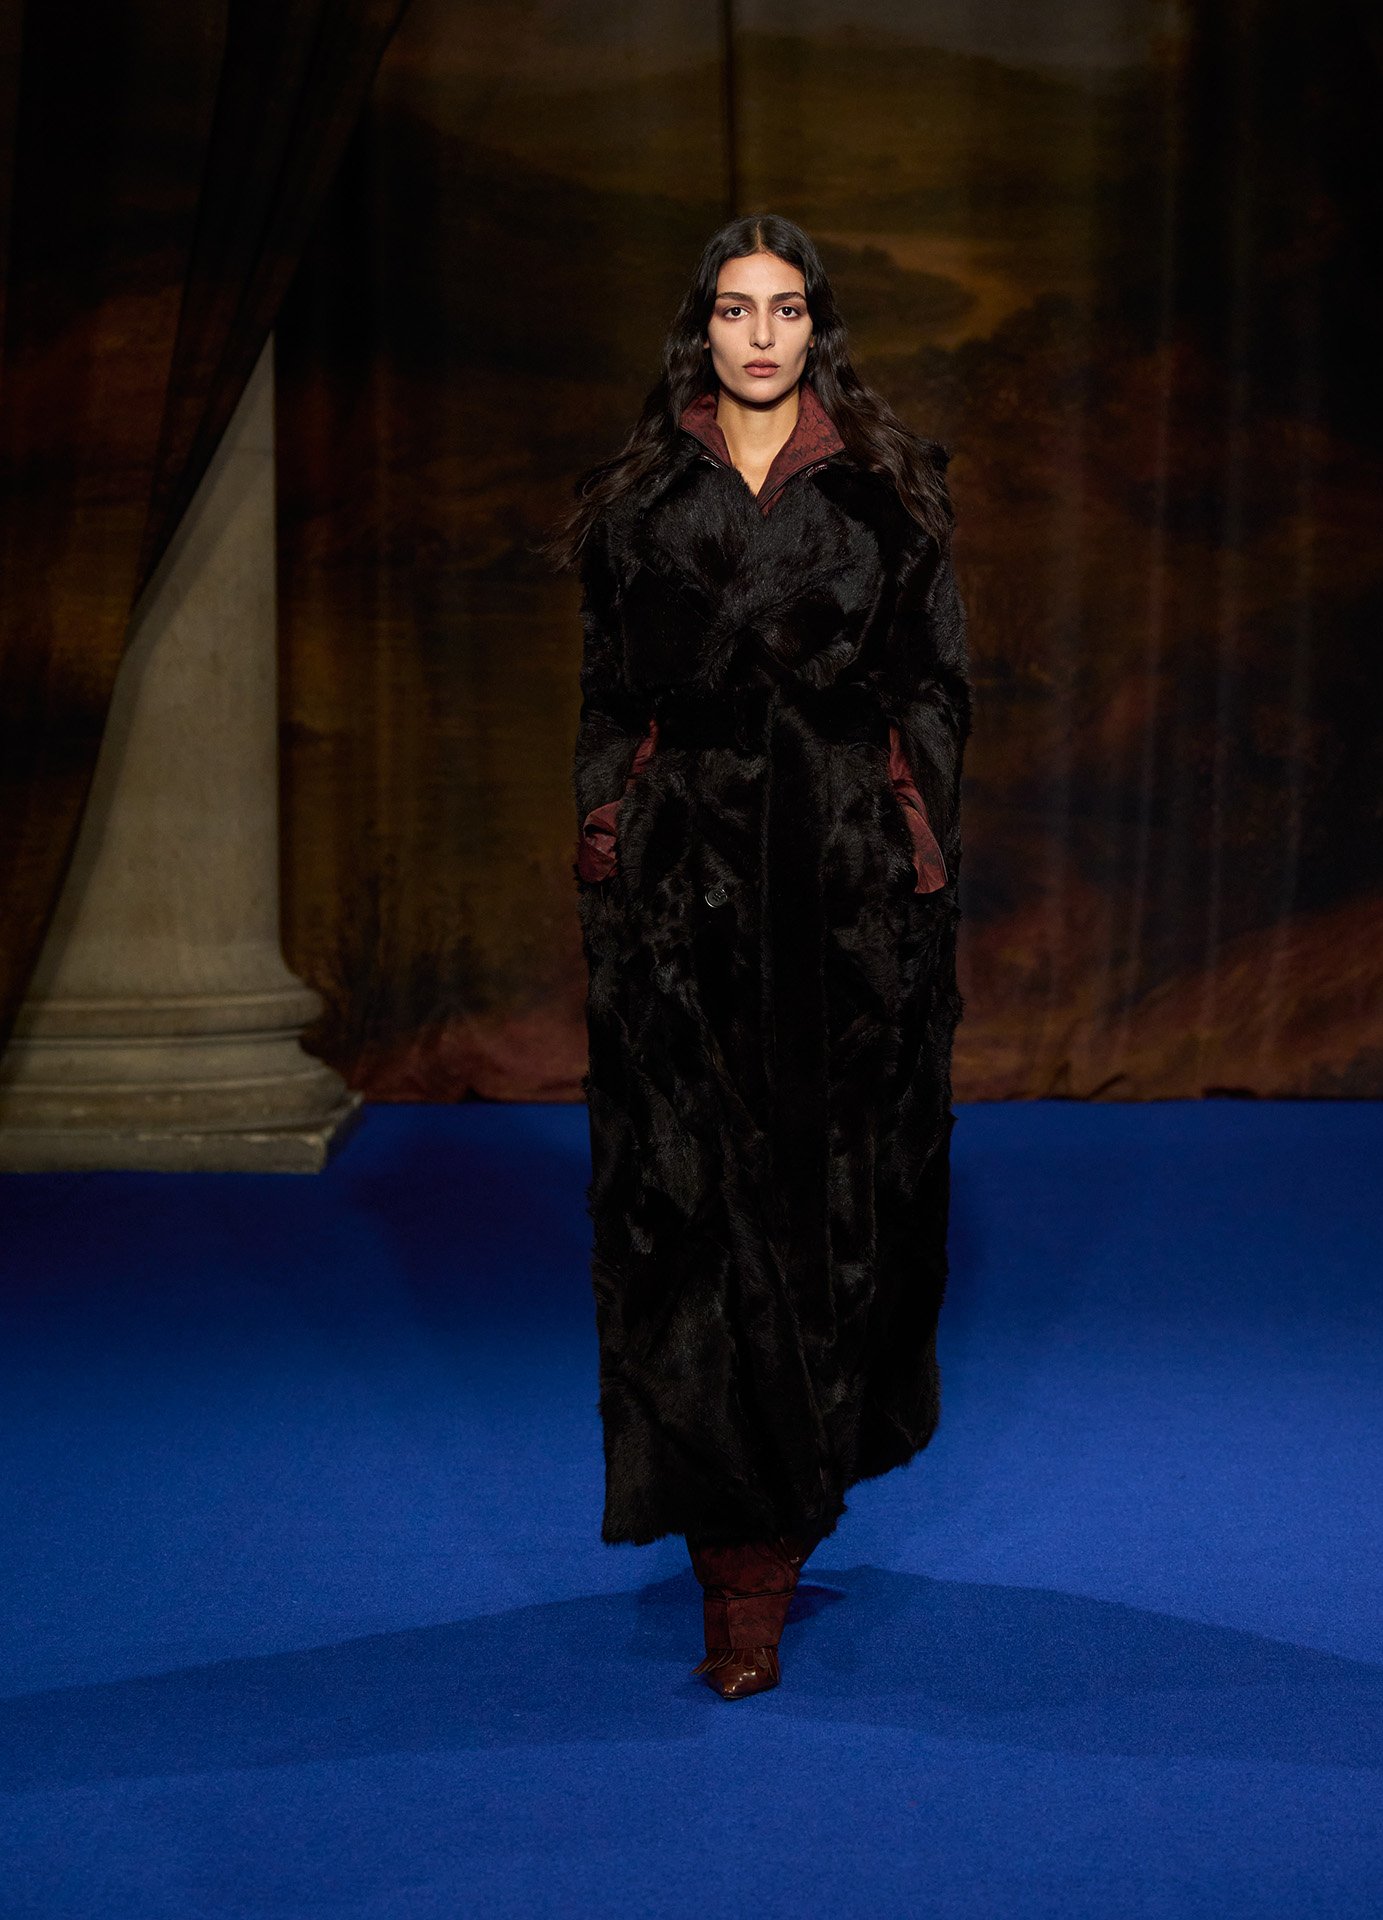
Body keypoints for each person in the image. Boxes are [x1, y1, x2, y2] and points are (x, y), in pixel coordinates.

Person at [553, 214, 970, 1699]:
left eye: (786, 310)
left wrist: (908, 839)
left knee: (826, 1208)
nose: (760, 336)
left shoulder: (887, 494)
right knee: (686, 1207)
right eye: (735, 310)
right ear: (703, 329)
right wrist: (614, 831)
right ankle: (736, 1568)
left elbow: (937, 685)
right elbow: (607, 698)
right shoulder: (637, 502)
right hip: (684, 903)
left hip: (842, 905)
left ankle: (783, 1526)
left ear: (816, 327)